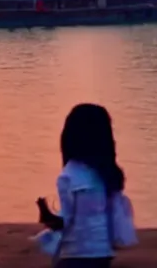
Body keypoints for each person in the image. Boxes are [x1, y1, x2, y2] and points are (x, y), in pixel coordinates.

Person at [36, 103, 128, 268]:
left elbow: (66, 220)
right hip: (103, 254)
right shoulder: (107, 174)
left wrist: (47, 217)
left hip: (77, 254)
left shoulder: (69, 176)